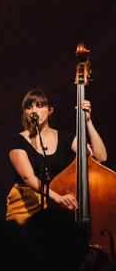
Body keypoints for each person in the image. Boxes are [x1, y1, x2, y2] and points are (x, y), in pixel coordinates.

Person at [6, 88, 106, 224]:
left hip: (55, 204)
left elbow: (100, 157)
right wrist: (57, 197)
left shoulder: (65, 138)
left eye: (39, 106)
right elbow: (27, 177)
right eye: (29, 107)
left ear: (50, 110)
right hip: (26, 204)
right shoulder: (17, 140)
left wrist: (88, 122)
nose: (33, 111)